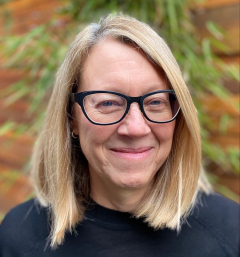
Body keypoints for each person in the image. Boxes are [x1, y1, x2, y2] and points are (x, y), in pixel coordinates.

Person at [0, 14, 239, 257]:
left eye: (155, 101)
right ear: (71, 118)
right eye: (108, 103)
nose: (136, 128)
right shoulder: (19, 237)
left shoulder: (230, 232)